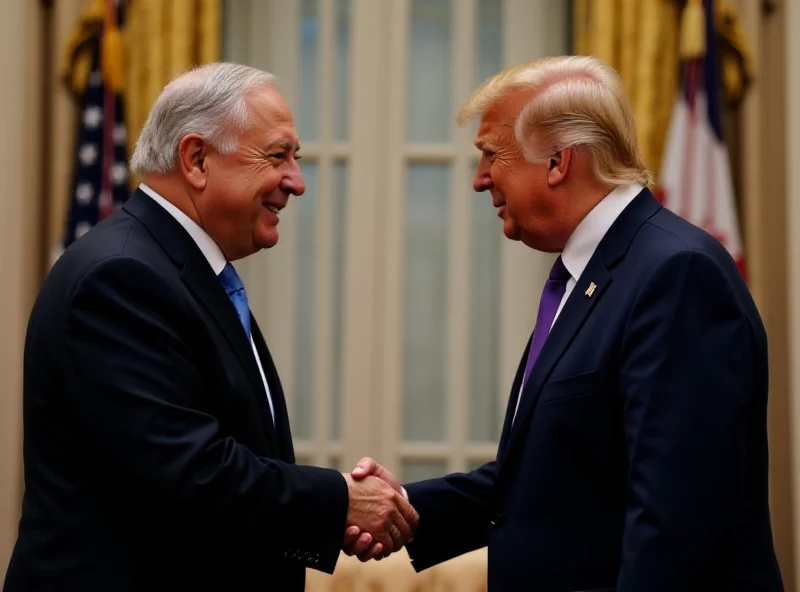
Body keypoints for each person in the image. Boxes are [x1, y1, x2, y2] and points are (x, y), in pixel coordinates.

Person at [346, 55, 784, 591]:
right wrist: (404, 508)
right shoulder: (592, 275)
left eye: (491, 155)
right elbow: (551, 475)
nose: (479, 180)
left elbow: (674, 524)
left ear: (557, 162)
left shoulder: (675, 274)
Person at [4, 62, 417, 592]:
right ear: (196, 159)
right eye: (278, 156)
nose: (297, 181)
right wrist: (339, 502)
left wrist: (334, 511)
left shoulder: (184, 272)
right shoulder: (123, 277)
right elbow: (189, 473)